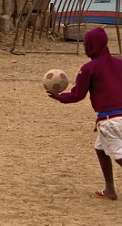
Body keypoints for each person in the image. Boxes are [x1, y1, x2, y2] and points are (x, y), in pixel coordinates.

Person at [48, 27, 122, 200]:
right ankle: (109, 189)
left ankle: (110, 189)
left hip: (110, 120)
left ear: (92, 46)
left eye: (85, 44)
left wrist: (59, 97)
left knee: (119, 155)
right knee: (100, 148)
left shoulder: (88, 68)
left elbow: (77, 95)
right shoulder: (119, 63)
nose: (84, 48)